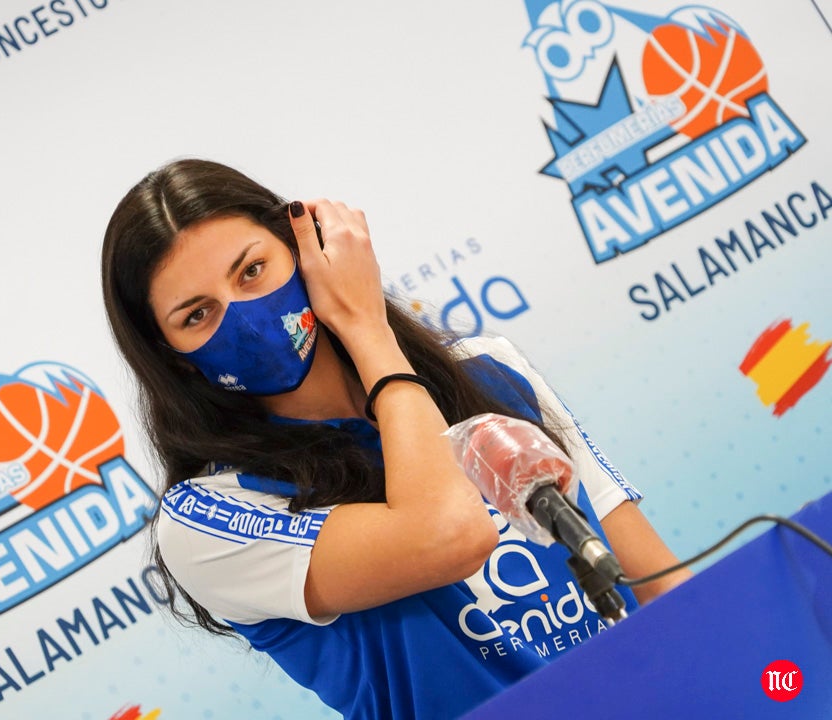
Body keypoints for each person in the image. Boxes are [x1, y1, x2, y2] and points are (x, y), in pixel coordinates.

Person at [101, 158, 690, 719]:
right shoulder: (208, 517)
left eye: (252, 271)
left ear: (307, 250)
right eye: (197, 314)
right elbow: (450, 537)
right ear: (170, 358)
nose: (245, 317)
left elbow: (659, 583)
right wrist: (365, 328)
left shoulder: (488, 369)